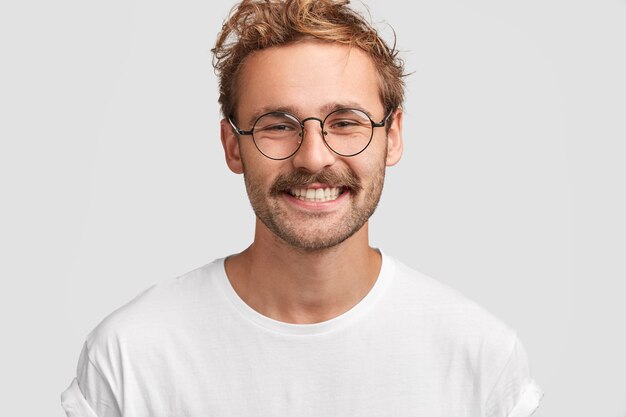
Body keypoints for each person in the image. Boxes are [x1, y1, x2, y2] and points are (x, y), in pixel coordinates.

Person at [61, 0, 543, 416]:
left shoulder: (480, 356)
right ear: (233, 145)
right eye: (278, 124)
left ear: (392, 137)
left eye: (346, 122)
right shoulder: (131, 355)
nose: (313, 156)